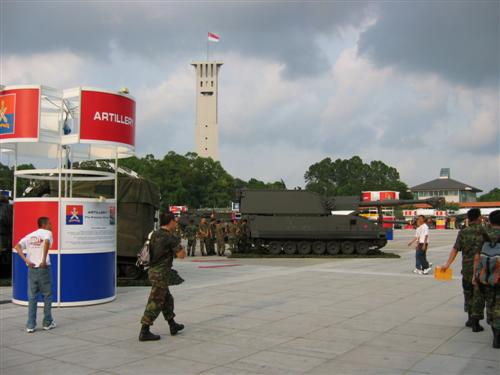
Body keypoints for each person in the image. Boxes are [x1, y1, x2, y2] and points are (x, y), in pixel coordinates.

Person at [139, 212, 186, 341]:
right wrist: (178, 243)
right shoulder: (170, 237)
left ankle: (172, 325)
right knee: (155, 301)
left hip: (153, 271)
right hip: (161, 274)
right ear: (170, 221)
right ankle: (144, 331)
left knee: (167, 299)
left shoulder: (154, 234)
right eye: (175, 221)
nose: (176, 223)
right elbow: (182, 255)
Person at [440, 208, 485, 331]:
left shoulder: (463, 232)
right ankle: (476, 320)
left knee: (468, 293)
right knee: (479, 294)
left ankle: (470, 318)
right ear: (479, 217)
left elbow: (455, 249)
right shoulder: (484, 231)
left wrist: (447, 264)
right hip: (482, 269)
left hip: (466, 269)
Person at [13, 217, 56, 333]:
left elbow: (17, 246)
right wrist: (43, 260)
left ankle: (30, 325)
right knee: (47, 296)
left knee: (32, 297)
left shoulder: (30, 236)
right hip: (43, 268)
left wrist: (26, 260)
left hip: (31, 269)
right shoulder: (48, 233)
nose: (51, 225)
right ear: (45, 224)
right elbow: (46, 242)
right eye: (50, 223)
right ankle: (47, 322)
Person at [473, 210, 500, 348]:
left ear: (490, 221)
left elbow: (477, 257)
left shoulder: (484, 236)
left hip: (486, 277)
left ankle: (496, 336)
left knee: (490, 305)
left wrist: (475, 275)